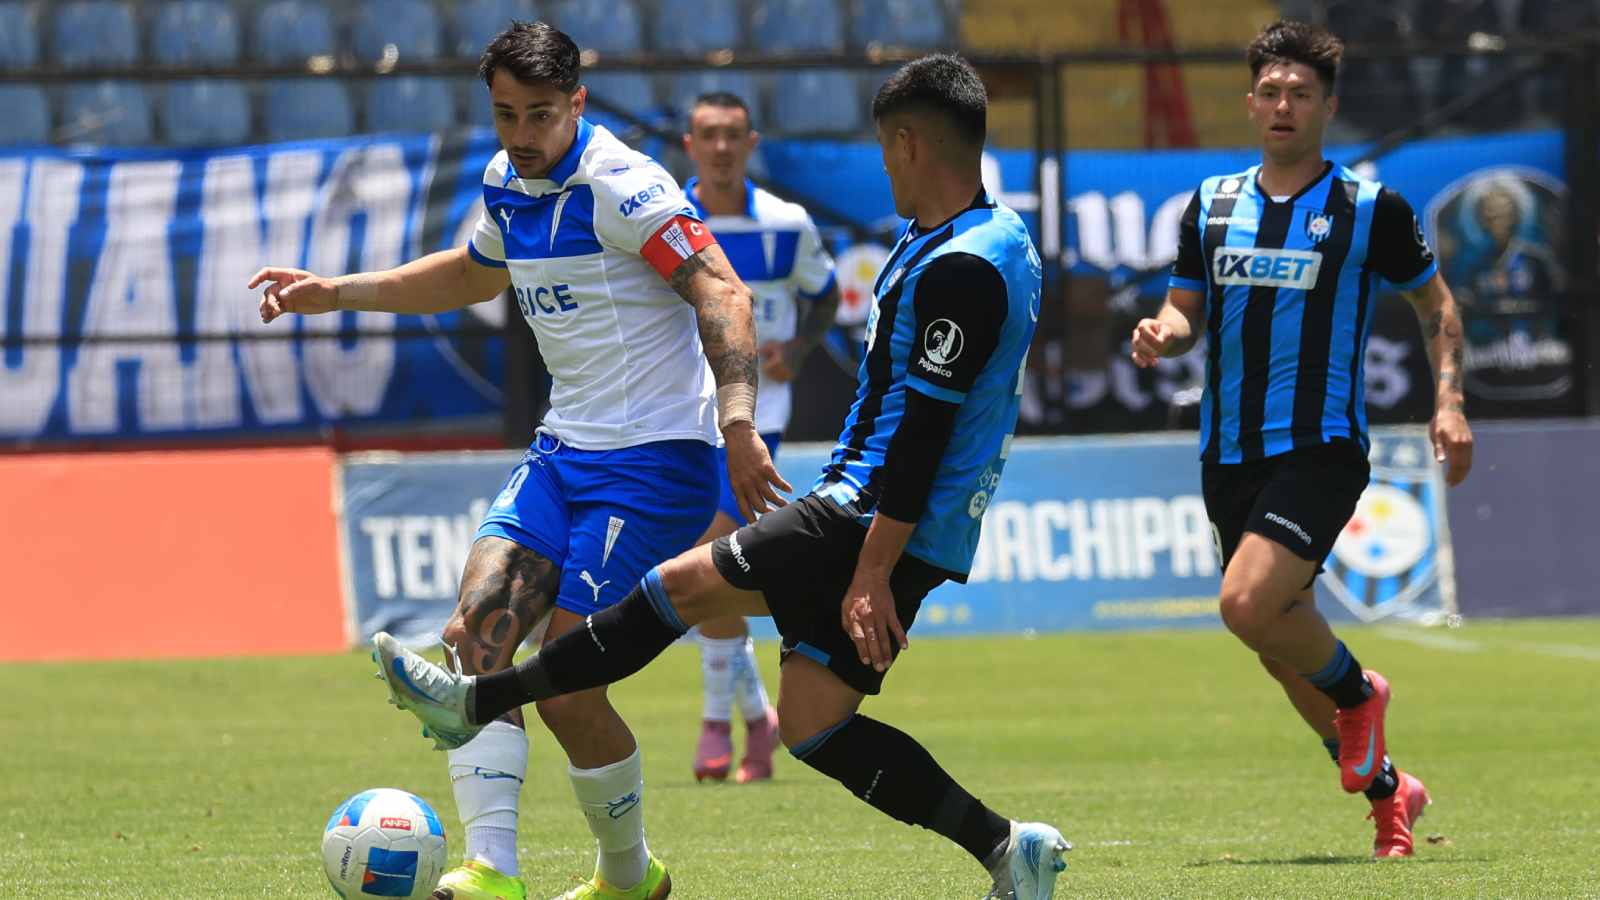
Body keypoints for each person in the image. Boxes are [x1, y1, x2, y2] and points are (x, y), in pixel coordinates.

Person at [373, 54, 1072, 900]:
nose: (883, 165)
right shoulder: (970, 242)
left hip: (868, 513)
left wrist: (873, 570)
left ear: (909, 143)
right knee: (814, 725)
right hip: (892, 517)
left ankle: (477, 703)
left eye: (887, 150)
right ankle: (1008, 849)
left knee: (679, 586)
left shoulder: (965, 267)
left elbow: (924, 434)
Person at [257, 22, 788, 900]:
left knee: (569, 691)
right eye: (506, 115)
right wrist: (337, 293)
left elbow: (721, 289)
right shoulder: (511, 183)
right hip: (563, 449)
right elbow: (471, 273)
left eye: (541, 115)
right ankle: (490, 872)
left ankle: (629, 876)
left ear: (577, 103)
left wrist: (738, 425)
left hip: (656, 461)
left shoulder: (624, 189)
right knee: (476, 640)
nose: (522, 135)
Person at [1129, 20, 1474, 858]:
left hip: (1319, 447)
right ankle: (1394, 795)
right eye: (1272, 92)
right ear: (1251, 104)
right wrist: (1163, 333)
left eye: (1302, 94)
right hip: (1228, 453)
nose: (1285, 106)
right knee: (1280, 649)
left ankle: (1361, 693)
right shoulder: (1209, 205)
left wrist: (1451, 402)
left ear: (1328, 107)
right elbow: (1184, 309)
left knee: (1246, 606)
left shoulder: (1370, 210)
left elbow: (1439, 309)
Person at [678, 90, 842, 784]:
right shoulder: (669, 222)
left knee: (705, 567)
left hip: (755, 421)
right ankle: (756, 721)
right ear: (689, 144)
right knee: (707, 579)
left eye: (733, 136)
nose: (720, 147)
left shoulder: (786, 224)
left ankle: (720, 725)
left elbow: (827, 293)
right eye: (708, 135)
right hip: (680, 419)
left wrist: (797, 350)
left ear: (751, 144)